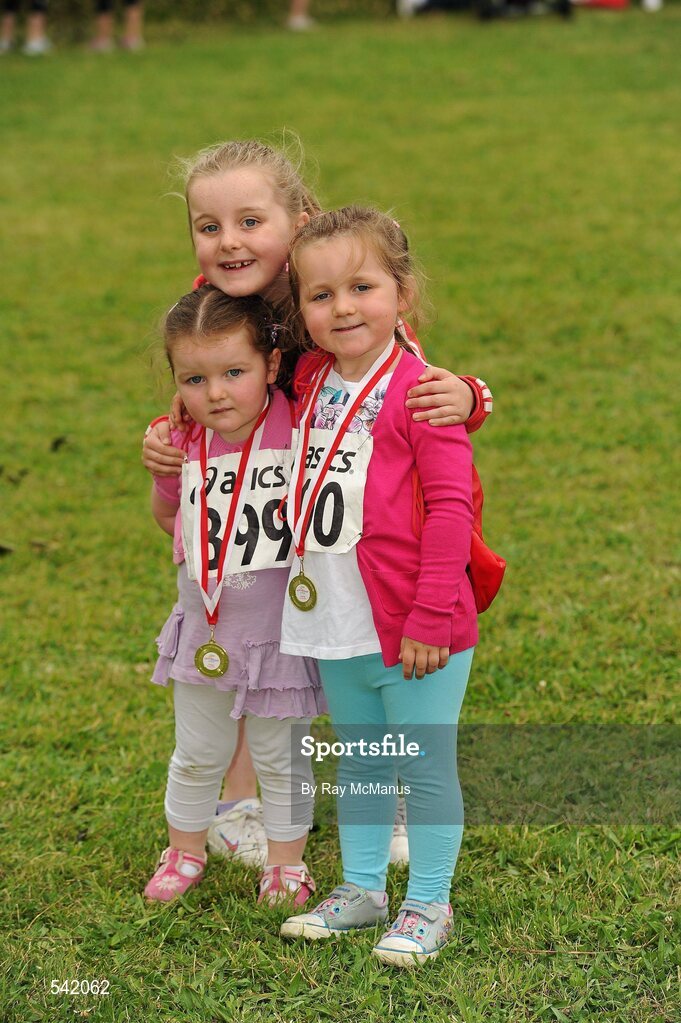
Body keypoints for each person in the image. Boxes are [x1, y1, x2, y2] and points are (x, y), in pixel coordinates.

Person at [141, 138, 492, 873]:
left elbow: (410, 384)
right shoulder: (215, 307)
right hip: (270, 525)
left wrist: (471, 394)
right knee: (251, 645)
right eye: (208, 227)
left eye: (249, 221)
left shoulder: (340, 284)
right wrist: (175, 441)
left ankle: (394, 791)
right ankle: (245, 802)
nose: (229, 241)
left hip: (368, 522)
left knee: (360, 645)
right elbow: (200, 387)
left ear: (298, 221)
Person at [278, 206, 478, 967]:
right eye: (319, 294)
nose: (342, 308)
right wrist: (278, 234)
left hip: (418, 621)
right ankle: (362, 889)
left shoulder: (424, 393)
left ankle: (428, 901)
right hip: (336, 613)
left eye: (362, 286)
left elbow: (453, 509)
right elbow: (230, 297)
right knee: (360, 755)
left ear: (402, 292)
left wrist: (430, 612)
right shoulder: (305, 376)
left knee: (422, 762)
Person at [144, 287, 324, 906]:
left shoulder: (299, 423)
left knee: (282, 759)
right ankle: (184, 850)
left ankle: (286, 865)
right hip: (207, 635)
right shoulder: (182, 436)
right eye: (194, 377)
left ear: (271, 366)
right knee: (197, 754)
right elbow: (171, 522)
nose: (216, 392)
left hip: (279, 638)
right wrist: (164, 477)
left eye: (234, 372)